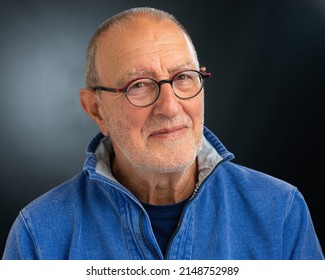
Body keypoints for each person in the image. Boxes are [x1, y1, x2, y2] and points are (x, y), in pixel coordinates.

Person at [2, 7, 324, 260]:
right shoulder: (38, 237)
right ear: (97, 110)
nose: (170, 107)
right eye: (139, 85)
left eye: (183, 77)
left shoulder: (281, 214)